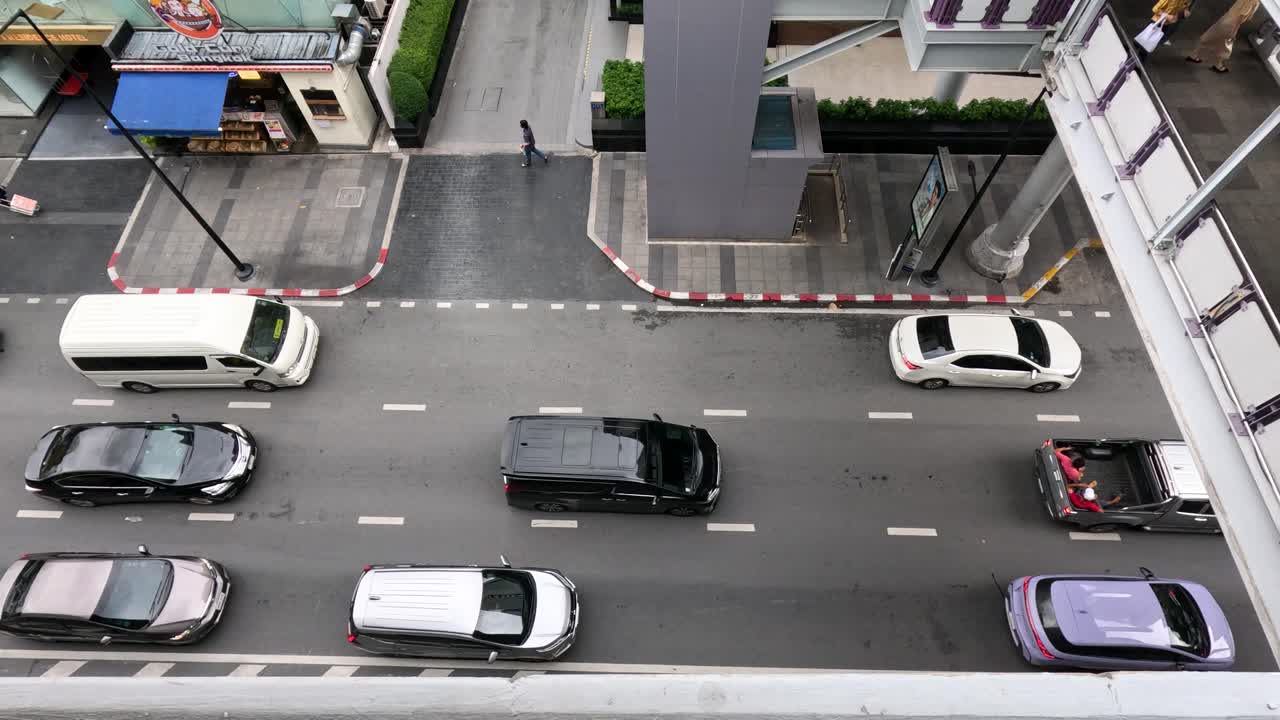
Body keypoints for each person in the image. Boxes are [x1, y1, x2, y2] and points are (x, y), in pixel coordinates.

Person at [1187, 0, 1262, 73]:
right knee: (1225, 47)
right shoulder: (1253, 1)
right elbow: (1240, 17)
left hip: (1226, 19)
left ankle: (1194, 55)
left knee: (1209, 36)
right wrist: (1234, 33)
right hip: (1231, 24)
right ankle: (1218, 65)